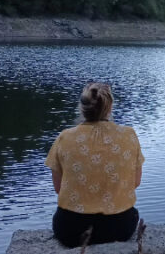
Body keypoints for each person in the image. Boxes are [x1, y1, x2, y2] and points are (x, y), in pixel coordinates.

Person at [45, 82, 144, 247]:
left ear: (81, 108)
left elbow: (58, 188)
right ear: (110, 107)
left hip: (72, 229)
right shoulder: (129, 136)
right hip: (119, 227)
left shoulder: (65, 137)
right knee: (131, 215)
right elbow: (135, 182)